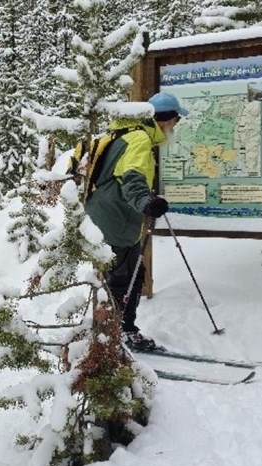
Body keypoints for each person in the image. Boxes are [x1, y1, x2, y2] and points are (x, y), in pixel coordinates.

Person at [82, 92, 184, 352]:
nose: (176, 126)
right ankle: (116, 334)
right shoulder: (139, 139)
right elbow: (132, 178)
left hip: (106, 215)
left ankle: (113, 331)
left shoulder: (122, 134)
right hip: (117, 219)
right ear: (165, 120)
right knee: (124, 277)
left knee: (123, 275)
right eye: (176, 120)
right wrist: (145, 203)